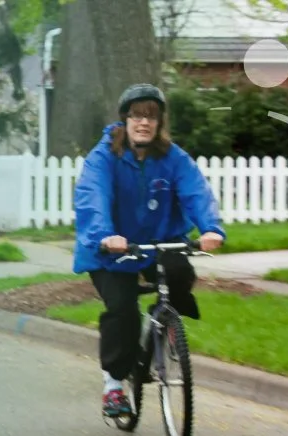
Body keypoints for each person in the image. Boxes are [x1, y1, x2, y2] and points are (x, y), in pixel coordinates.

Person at [72, 83, 225, 417]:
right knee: (123, 311)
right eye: (137, 115)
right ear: (125, 119)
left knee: (180, 271)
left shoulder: (172, 157)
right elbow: (92, 197)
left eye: (151, 117)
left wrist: (211, 227)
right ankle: (114, 385)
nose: (144, 123)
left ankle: (163, 327)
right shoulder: (103, 158)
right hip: (110, 249)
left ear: (159, 123)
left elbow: (195, 191)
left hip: (158, 241)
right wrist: (104, 235)